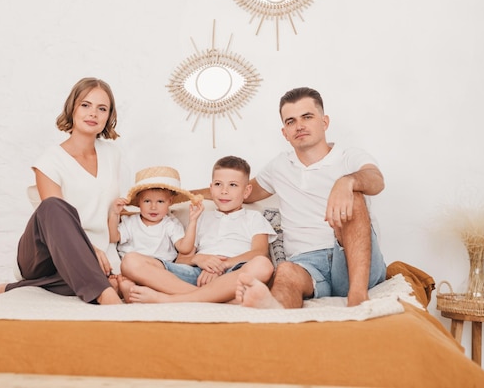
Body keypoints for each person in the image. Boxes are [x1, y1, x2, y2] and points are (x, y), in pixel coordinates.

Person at [231, 87, 387, 308]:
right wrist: (184, 195)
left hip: (354, 260)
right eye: (291, 121)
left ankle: (357, 297)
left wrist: (347, 181)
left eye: (307, 117)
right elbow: (239, 190)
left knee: (355, 196)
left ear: (324, 122)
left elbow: (376, 180)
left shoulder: (349, 157)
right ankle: (274, 309)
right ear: (285, 132)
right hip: (306, 263)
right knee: (285, 271)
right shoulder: (279, 166)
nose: (299, 126)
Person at [0, 77, 129, 305]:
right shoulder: (49, 161)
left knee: (114, 275)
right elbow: (54, 221)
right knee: (53, 206)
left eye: (102, 108)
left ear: (109, 116)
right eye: (85, 105)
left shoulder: (113, 154)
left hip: (92, 258)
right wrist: (89, 251)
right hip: (45, 255)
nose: (93, 113)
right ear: (72, 108)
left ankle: (19, 288)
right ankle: (105, 295)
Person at [123, 155, 277, 304]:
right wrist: (199, 259)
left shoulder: (254, 218)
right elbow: (182, 259)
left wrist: (222, 265)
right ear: (211, 188)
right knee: (130, 261)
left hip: (233, 273)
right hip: (197, 274)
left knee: (263, 265)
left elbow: (259, 252)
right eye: (218, 184)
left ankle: (172, 299)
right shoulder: (201, 217)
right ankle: (219, 298)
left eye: (233, 185)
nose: (224, 191)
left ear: (247, 191)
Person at [107, 166, 204, 299]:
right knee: (114, 283)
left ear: (169, 202)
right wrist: (114, 214)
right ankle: (129, 289)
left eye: (160, 201)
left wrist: (193, 221)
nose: (153, 207)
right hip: (129, 271)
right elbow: (113, 237)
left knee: (131, 274)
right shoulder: (130, 221)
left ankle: (136, 290)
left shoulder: (170, 224)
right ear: (139, 202)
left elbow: (185, 248)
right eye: (147, 201)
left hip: (157, 272)